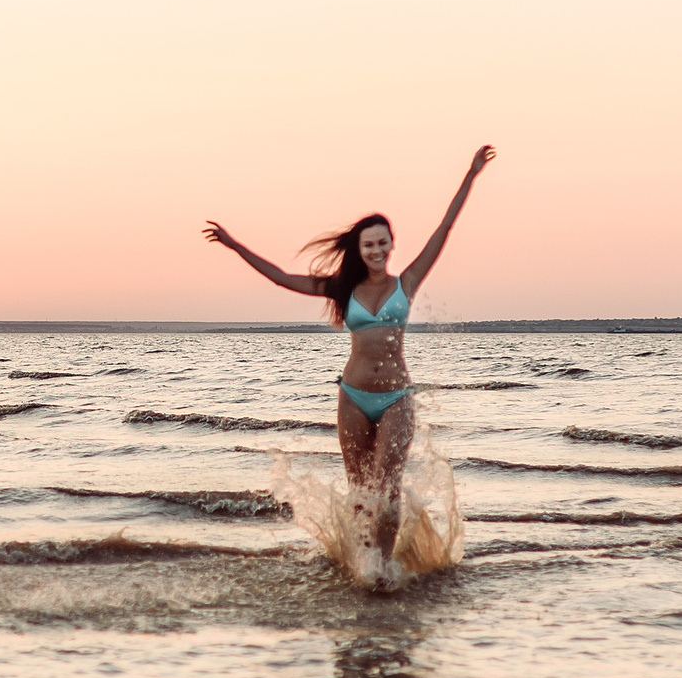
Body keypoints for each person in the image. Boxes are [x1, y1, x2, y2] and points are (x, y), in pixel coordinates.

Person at [203, 144, 496, 590]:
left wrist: (470, 175)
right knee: (362, 492)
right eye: (369, 244)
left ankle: (381, 566)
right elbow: (282, 277)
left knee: (388, 489)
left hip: (396, 397)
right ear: (360, 249)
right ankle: (363, 560)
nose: (377, 249)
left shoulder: (407, 282)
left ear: (391, 244)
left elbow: (445, 227)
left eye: (383, 242)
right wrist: (234, 245)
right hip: (353, 397)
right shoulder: (343, 289)